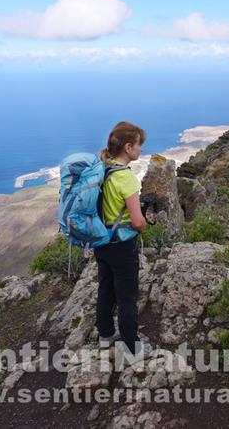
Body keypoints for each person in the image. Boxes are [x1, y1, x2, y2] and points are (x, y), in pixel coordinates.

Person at [95, 121, 148, 354]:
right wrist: (144, 226)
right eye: (139, 145)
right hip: (122, 245)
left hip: (101, 241)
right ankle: (133, 349)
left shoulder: (103, 168)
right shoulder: (126, 178)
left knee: (106, 287)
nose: (141, 149)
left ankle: (106, 334)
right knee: (127, 296)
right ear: (128, 147)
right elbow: (137, 222)